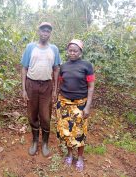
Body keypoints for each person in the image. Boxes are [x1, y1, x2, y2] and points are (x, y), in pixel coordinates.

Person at [21, 22, 61, 157]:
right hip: (31, 84)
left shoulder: (54, 49)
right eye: (43, 30)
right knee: (32, 114)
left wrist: (55, 89)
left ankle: (44, 143)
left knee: (45, 115)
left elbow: (56, 69)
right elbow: (24, 68)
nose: (45, 33)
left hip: (46, 86)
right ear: (39, 32)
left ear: (50, 34)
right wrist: (24, 89)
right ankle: (34, 141)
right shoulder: (30, 47)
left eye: (48, 31)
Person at [56, 39, 95, 171]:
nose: (72, 53)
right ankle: (69, 154)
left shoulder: (87, 66)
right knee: (66, 131)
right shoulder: (64, 66)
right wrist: (58, 100)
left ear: (80, 52)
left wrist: (88, 106)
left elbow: (90, 87)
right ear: (67, 51)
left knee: (80, 132)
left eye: (75, 50)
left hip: (80, 104)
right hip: (64, 103)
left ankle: (80, 157)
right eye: (70, 50)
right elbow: (60, 83)